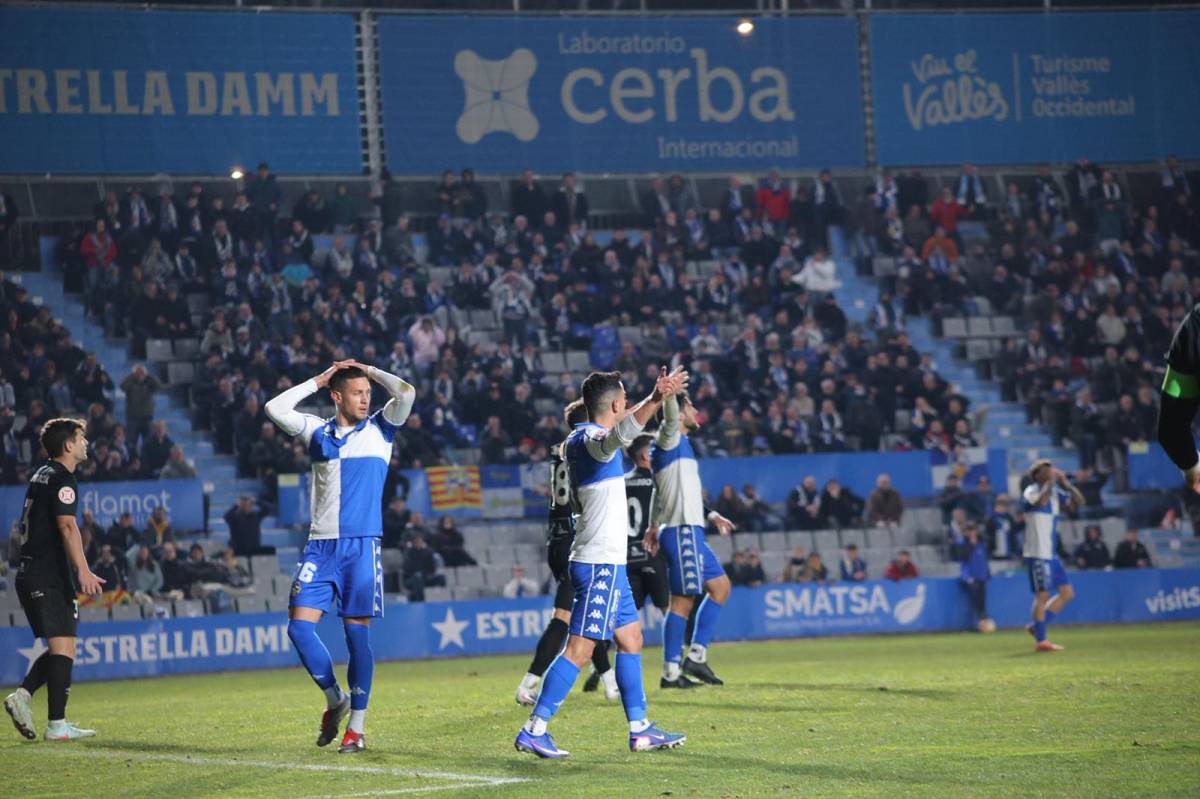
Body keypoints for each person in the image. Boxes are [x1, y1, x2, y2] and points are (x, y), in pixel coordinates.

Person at [515, 367, 688, 759]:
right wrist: (656, 398)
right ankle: (535, 728)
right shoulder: (591, 439)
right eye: (624, 398)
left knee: (631, 638)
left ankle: (640, 728)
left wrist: (652, 401)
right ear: (614, 403)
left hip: (608, 563)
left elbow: (621, 433)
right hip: (598, 565)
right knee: (579, 648)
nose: (626, 403)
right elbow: (619, 435)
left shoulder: (584, 440)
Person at [264, 359, 415, 754]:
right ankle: (336, 699)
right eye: (357, 392)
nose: (366, 399)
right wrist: (318, 379)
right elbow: (274, 409)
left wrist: (370, 369)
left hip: (362, 547)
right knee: (298, 629)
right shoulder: (317, 431)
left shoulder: (382, 429)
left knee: (355, 634)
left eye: (368, 393)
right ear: (337, 396)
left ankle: (357, 730)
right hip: (320, 547)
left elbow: (407, 393)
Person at [4, 418, 106, 741]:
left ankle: (38, 709)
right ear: (67, 446)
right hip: (47, 573)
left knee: (64, 646)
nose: (85, 443)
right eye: (81, 438)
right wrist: (84, 569)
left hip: (33, 570)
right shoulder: (63, 478)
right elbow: (66, 526)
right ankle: (53, 722)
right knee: (63, 645)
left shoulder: (40, 474)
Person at [515, 400, 617, 708]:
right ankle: (529, 683)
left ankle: (611, 684)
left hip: (555, 540)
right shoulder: (584, 448)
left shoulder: (557, 451)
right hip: (574, 540)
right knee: (566, 618)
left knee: (582, 615)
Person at [644, 390, 736, 689]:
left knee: (720, 587)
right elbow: (670, 415)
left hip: (690, 529)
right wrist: (669, 393)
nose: (696, 411)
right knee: (682, 602)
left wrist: (711, 516)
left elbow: (662, 492)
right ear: (680, 414)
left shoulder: (680, 445)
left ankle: (696, 656)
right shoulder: (669, 438)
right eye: (691, 407)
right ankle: (671, 673)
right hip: (682, 530)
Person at [1022, 459, 1083, 653]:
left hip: (1051, 553)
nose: (1050, 473)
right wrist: (1050, 483)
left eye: (1050, 470)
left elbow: (1078, 503)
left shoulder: (1056, 493)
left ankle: (1037, 627)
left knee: (1067, 593)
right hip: (1036, 552)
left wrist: (1067, 485)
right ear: (1037, 475)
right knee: (1042, 595)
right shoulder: (1031, 491)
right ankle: (1042, 641)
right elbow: (1040, 500)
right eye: (1045, 471)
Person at [954, 523, 992, 630]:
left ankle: (983, 621)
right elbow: (962, 556)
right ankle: (977, 622)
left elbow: (984, 559)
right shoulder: (962, 543)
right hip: (969, 577)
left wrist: (987, 573)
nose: (972, 533)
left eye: (973, 530)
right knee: (974, 600)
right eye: (969, 530)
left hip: (981, 575)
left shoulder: (981, 542)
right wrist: (971, 544)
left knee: (982, 600)